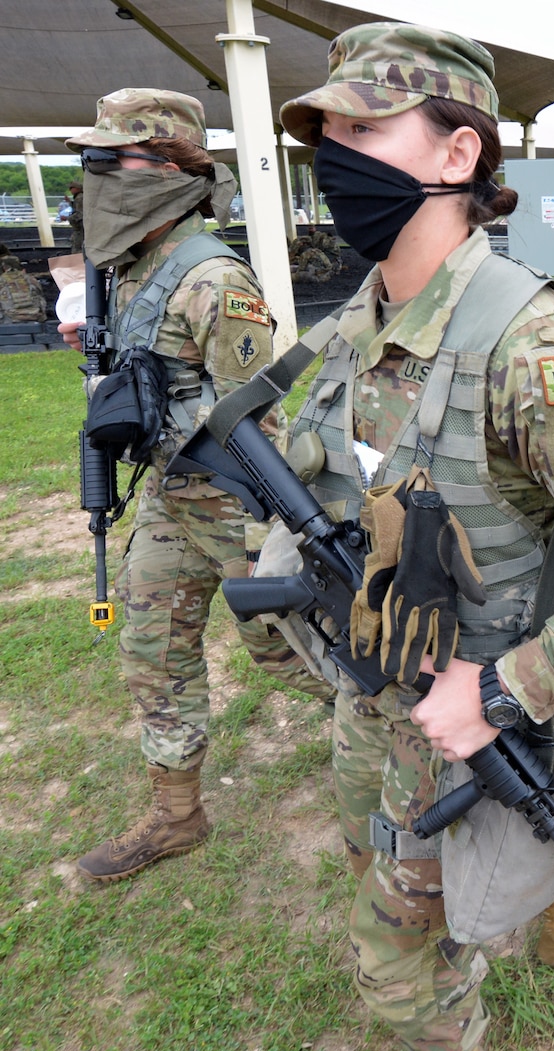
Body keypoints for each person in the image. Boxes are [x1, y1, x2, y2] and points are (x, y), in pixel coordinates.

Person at [277, 24, 554, 1051]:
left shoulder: (531, 347)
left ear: (457, 157)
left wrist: (507, 691)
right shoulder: (357, 324)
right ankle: (540, 894)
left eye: (366, 127)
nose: (334, 155)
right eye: (326, 133)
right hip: (373, 695)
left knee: (397, 971)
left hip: (468, 713)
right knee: (372, 854)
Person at [60, 89, 333, 883]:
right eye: (93, 162)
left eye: (116, 160)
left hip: (234, 506)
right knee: (152, 650)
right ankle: (176, 814)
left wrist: (263, 541)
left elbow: (257, 421)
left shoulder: (214, 278)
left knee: (292, 651)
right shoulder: (132, 268)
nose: (98, 177)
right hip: (171, 502)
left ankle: (398, 750)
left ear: (175, 170)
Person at [0, 254, 47, 323]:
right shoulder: (30, 279)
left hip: (10, 319)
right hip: (35, 316)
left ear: (4, 267)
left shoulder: (1, 280)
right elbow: (41, 295)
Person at [67, 181, 85, 253]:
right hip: (80, 227)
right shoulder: (79, 198)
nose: (70, 190)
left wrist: (68, 218)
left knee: (78, 247)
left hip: (80, 227)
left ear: (77, 189)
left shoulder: (80, 198)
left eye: (71, 188)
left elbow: (80, 213)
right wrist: (70, 202)